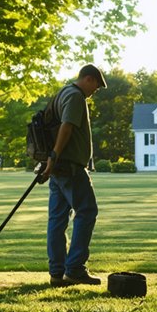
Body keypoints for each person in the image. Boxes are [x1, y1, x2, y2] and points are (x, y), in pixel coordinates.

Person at [41, 64, 105, 286]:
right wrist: (54, 155)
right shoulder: (75, 96)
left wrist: (51, 160)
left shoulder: (62, 93)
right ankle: (75, 269)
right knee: (87, 211)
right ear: (88, 79)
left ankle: (56, 273)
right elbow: (66, 127)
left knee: (57, 219)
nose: (93, 92)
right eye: (95, 87)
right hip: (69, 167)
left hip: (59, 169)